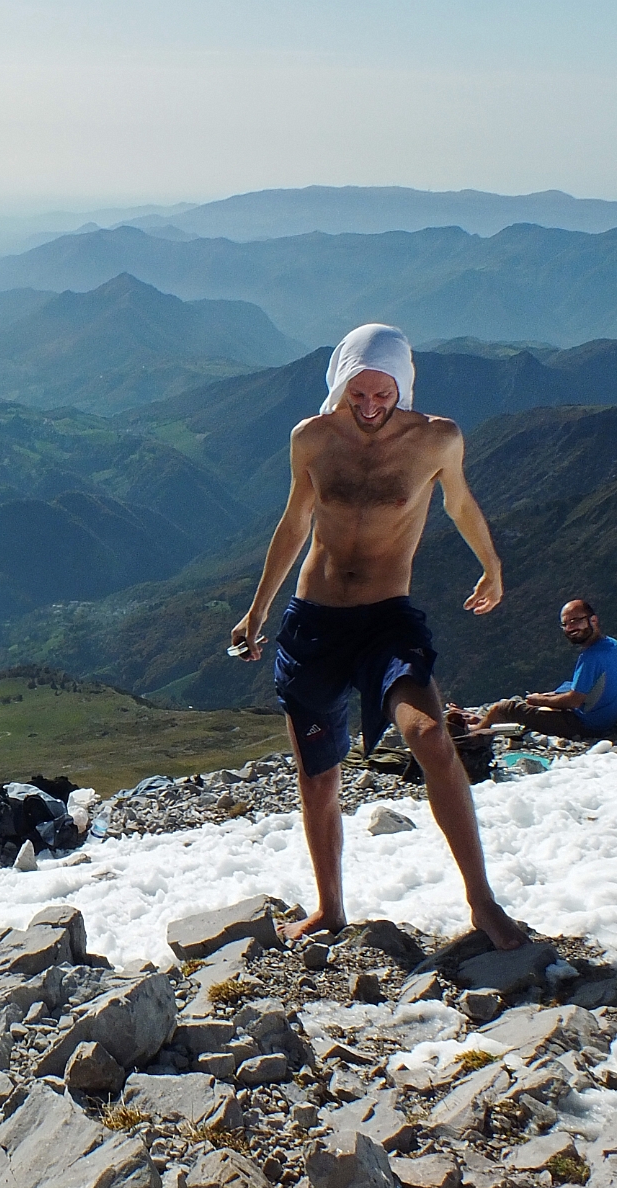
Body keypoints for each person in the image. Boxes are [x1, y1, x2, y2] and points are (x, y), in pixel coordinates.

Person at [229, 323, 526, 950]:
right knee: (318, 775)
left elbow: (461, 504)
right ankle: (329, 908)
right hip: (314, 620)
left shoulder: (436, 439)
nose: (369, 407)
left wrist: (493, 567)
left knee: (431, 738)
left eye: (381, 395)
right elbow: (295, 522)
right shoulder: (312, 439)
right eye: (357, 395)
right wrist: (257, 611)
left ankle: (482, 902)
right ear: (340, 385)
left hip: (387, 618)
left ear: (403, 385)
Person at [470, 600, 617, 737]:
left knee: (505, 707)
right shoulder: (612, 645)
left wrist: (539, 699)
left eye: (576, 620)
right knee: (539, 702)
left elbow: (574, 701)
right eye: (565, 624)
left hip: (585, 724)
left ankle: (475, 730)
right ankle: (483, 719)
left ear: (593, 620)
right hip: (605, 719)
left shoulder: (591, 656)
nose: (570, 628)